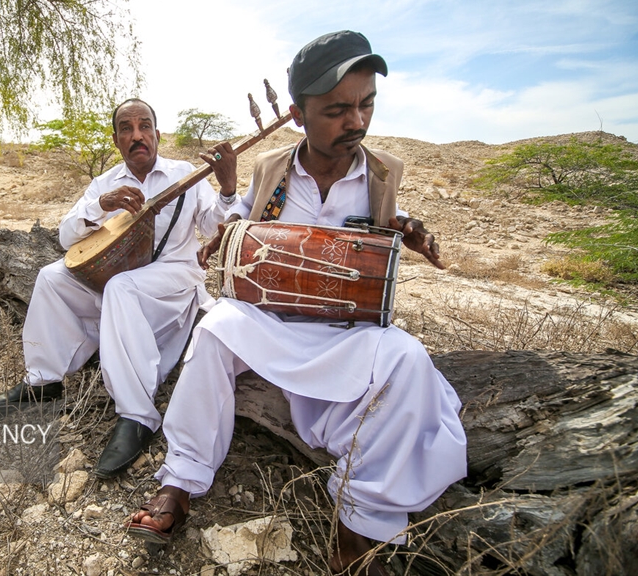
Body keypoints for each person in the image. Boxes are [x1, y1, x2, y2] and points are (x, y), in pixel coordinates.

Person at [126, 31, 467, 575]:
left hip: (344, 329)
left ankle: (358, 527)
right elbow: (255, 229)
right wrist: (229, 234)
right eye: (337, 110)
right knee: (215, 330)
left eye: (366, 105)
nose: (356, 121)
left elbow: (375, 234)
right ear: (298, 114)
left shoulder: (381, 172)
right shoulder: (272, 170)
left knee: (408, 361)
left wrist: (404, 228)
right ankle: (181, 478)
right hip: (272, 319)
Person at [0, 98, 238, 478]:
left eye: (144, 125)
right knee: (52, 277)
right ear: (116, 139)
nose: (137, 136)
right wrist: (101, 206)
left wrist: (228, 186)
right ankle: (44, 381)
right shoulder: (105, 183)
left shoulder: (184, 174)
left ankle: (137, 415)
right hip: (122, 279)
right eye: (126, 128)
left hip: (173, 277)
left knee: (121, 287)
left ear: (156, 132)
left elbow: (216, 220)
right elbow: (67, 236)